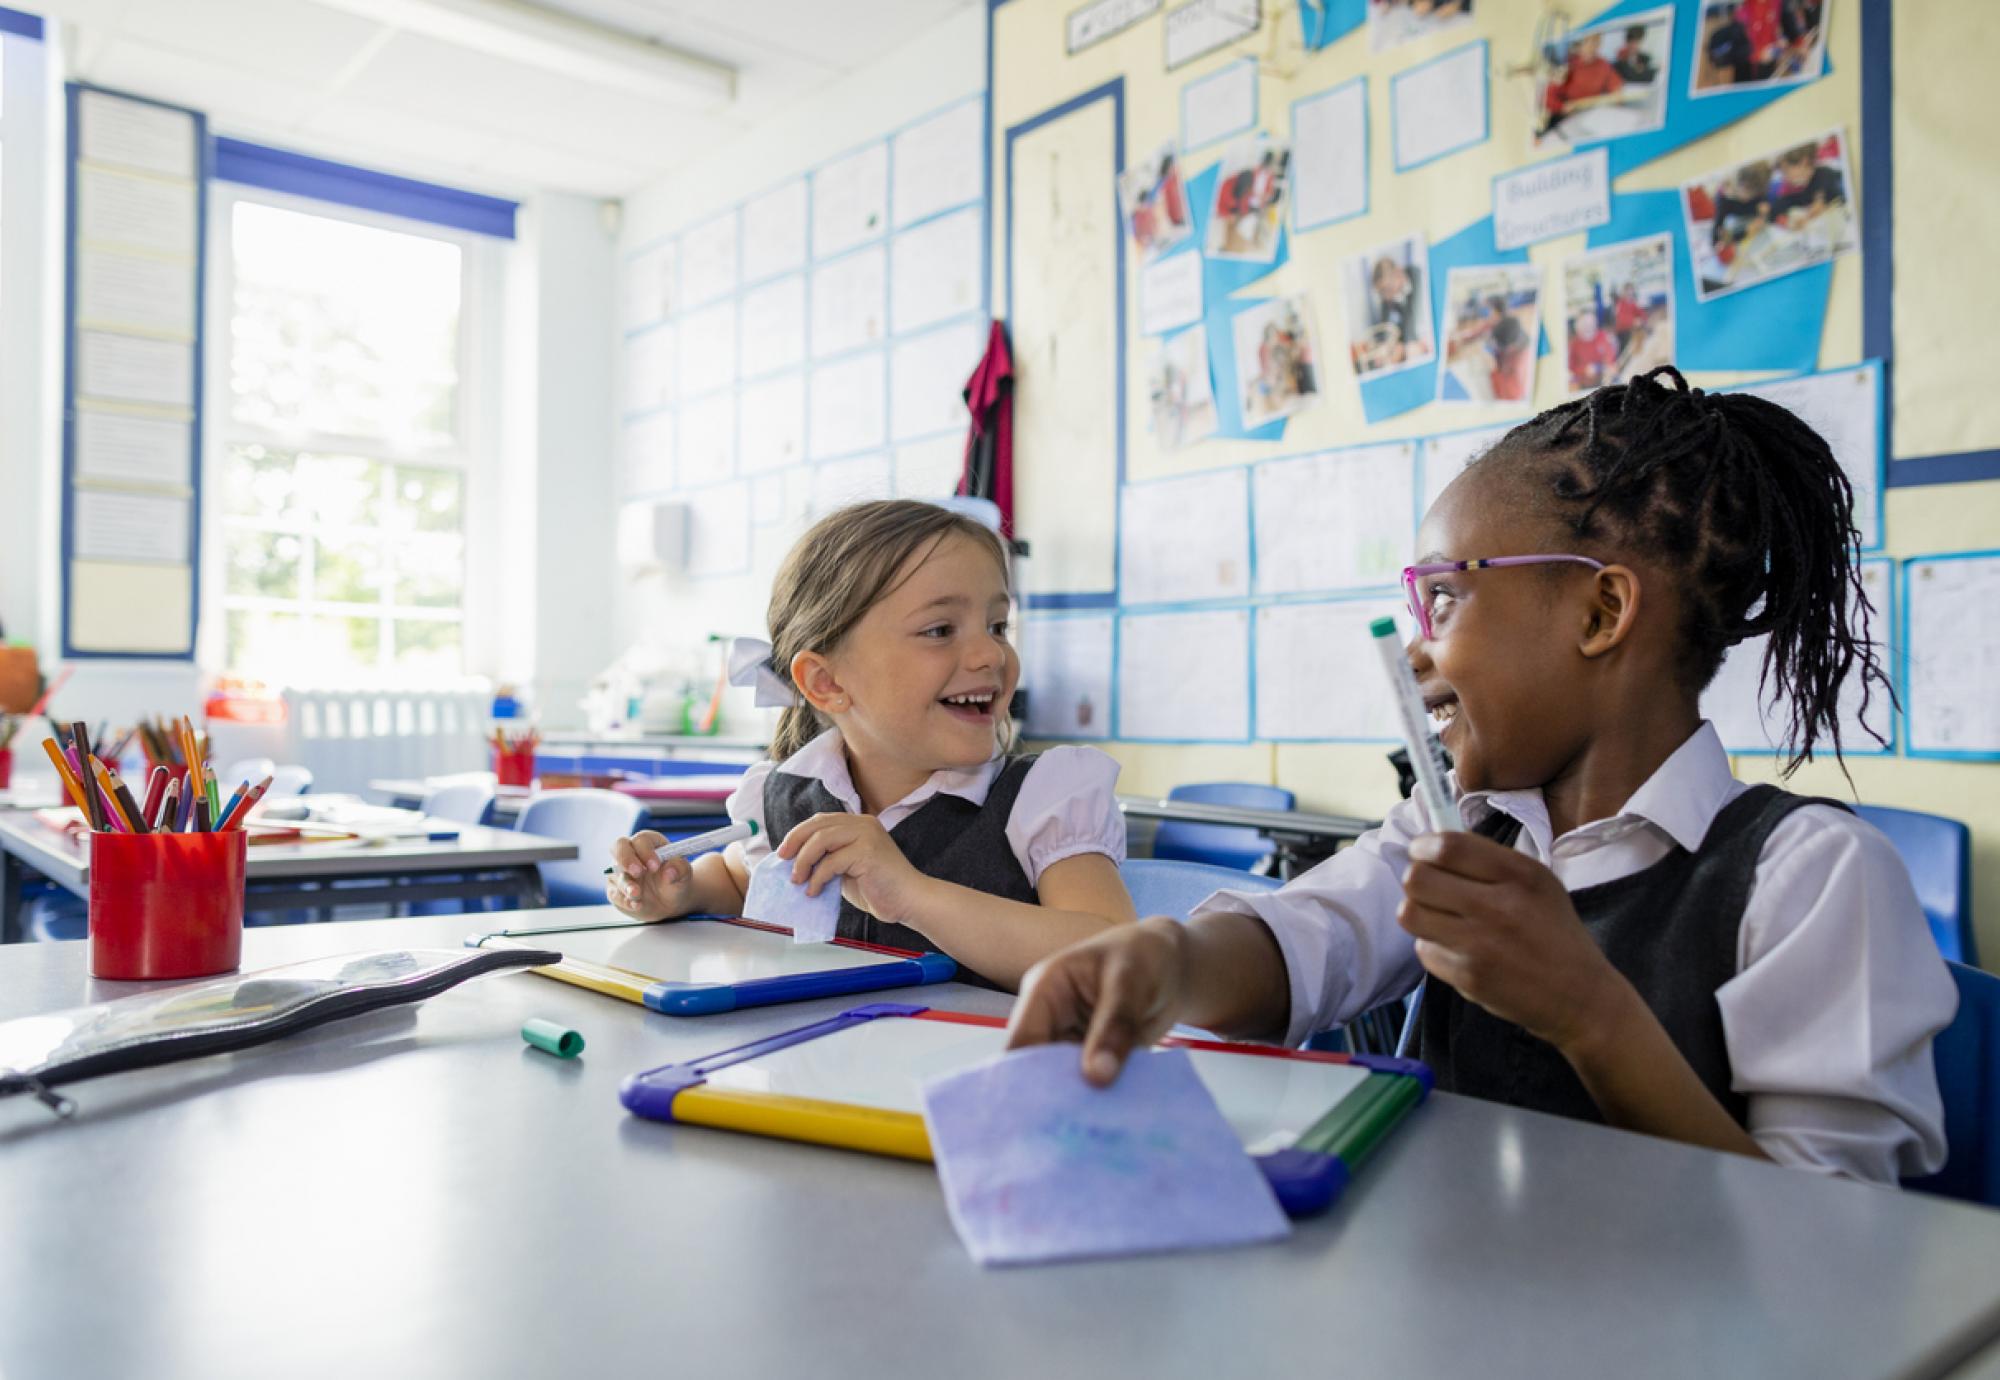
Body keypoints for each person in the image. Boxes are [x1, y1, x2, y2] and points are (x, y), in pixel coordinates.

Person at [1008, 368, 1955, 1185]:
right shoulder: (1459, 825)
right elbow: (1308, 941)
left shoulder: (1810, 878)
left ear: (1600, 612)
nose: (1418, 652)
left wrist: (1588, 1014)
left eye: (1447, 599)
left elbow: (1831, 1244)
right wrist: (1169, 963)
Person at [608, 500, 1136, 989]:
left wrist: (912, 895)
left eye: (998, 625)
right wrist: (682, 889)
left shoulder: (1045, 798)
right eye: (939, 630)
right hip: (826, 1074)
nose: (991, 655)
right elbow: (737, 877)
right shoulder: (791, 794)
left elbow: (1120, 959)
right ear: (826, 683)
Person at [1567, 309, 1618, 391]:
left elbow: (1610, 356)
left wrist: (1609, 366)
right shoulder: (1574, 344)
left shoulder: (1602, 336)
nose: (1588, 326)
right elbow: (1571, 367)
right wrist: (1584, 370)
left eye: (1590, 323)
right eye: (1585, 324)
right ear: (1578, 326)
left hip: (1604, 382)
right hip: (1584, 386)